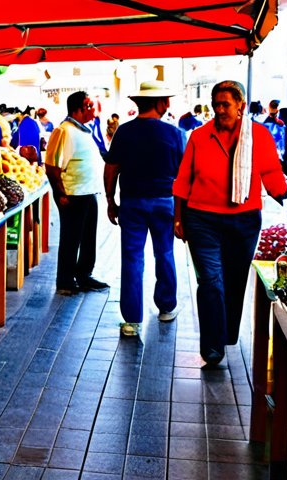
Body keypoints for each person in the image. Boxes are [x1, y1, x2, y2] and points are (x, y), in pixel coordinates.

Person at [173, 80, 287, 365]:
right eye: (216, 105)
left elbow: (272, 170)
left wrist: (282, 193)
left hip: (244, 221)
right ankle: (213, 349)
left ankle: (225, 334)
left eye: (226, 104)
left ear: (241, 106)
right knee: (210, 282)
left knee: (235, 281)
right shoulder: (199, 136)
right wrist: (178, 218)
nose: (220, 110)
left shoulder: (259, 135)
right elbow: (183, 180)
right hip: (202, 219)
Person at [104, 81, 187, 337]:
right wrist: (183, 213)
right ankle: (166, 307)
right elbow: (183, 175)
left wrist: (110, 200)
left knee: (132, 258)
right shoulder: (174, 133)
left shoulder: (124, 132)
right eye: (166, 100)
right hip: (165, 202)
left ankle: (131, 321)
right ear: (161, 103)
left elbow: (112, 168)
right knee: (164, 254)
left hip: (131, 203)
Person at [44, 91, 110, 295]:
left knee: (88, 238)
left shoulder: (85, 130)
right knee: (70, 238)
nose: (92, 109)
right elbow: (51, 166)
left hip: (89, 192)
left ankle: (84, 275)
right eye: (88, 105)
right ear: (77, 109)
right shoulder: (63, 131)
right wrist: (60, 193)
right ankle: (65, 280)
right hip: (72, 194)